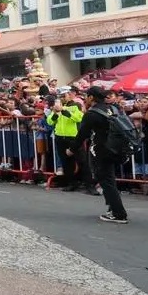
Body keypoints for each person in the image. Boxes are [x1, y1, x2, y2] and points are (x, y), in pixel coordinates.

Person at [68, 86, 129, 224]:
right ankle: (112, 208)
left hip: (101, 150)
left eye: (86, 96)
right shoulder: (113, 108)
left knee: (107, 181)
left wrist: (72, 149)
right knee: (109, 179)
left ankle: (119, 214)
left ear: (91, 97)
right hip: (116, 148)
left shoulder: (92, 113)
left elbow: (82, 134)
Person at [47, 88, 83, 190]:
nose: (62, 98)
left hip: (72, 137)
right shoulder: (57, 107)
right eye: (60, 96)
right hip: (60, 137)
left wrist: (63, 110)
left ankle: (88, 183)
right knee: (66, 162)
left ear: (69, 95)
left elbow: (78, 118)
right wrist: (55, 113)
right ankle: (71, 183)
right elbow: (50, 122)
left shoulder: (75, 106)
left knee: (81, 161)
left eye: (64, 95)